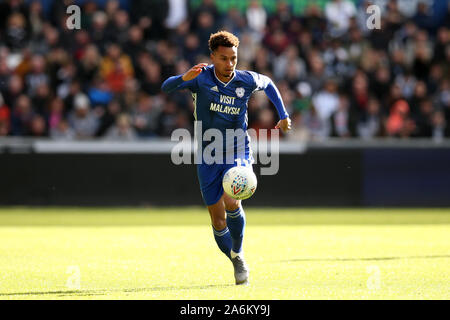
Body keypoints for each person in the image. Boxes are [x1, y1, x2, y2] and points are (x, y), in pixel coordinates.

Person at [161, 31, 291, 285]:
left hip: (237, 149)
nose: (230, 64)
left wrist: (283, 114)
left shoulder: (244, 79)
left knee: (232, 199)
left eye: (233, 58)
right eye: (223, 59)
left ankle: (239, 253)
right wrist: (182, 78)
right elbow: (166, 87)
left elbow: (268, 83)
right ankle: (234, 256)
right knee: (217, 219)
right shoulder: (200, 78)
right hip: (208, 155)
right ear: (212, 57)